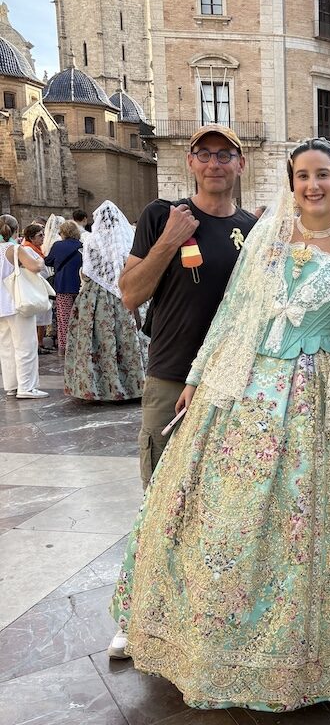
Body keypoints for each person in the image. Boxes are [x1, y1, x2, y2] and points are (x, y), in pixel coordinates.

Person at [110, 138, 330, 709]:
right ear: (290, 183)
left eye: (323, 175)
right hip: (251, 388)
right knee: (225, 512)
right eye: (302, 177)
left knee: (309, 519)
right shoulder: (266, 240)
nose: (313, 186)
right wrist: (197, 378)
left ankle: (311, 649)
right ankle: (206, 635)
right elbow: (234, 314)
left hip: (320, 392)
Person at [119, 124, 257, 489]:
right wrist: (169, 240)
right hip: (171, 373)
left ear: (240, 164)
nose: (215, 164)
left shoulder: (253, 229)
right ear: (190, 162)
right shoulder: (161, 215)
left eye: (225, 155)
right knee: (162, 491)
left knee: (219, 492)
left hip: (229, 381)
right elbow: (131, 294)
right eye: (205, 154)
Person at [64, 201, 146, 400]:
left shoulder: (91, 240)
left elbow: (86, 272)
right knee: (129, 338)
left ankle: (101, 387)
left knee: (99, 339)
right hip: (128, 293)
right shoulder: (129, 238)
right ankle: (135, 385)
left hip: (96, 297)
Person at [0, 215, 48, 399]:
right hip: (17, 302)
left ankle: (11, 385)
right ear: (16, 230)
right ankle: (27, 387)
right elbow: (35, 266)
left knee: (6, 346)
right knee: (26, 345)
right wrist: (40, 260)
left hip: (1, 305)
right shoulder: (14, 249)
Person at [44, 220, 83, 353]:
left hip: (63, 287)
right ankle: (80, 347)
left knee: (64, 318)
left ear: (63, 233)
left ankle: (64, 348)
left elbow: (48, 261)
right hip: (80, 287)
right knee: (80, 318)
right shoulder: (82, 246)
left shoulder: (58, 245)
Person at [21, 224, 53, 355]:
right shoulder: (28, 250)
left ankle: (40, 342)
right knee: (38, 317)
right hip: (34, 286)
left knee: (43, 315)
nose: (43, 238)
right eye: (40, 235)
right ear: (31, 238)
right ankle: (37, 344)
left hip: (41, 286)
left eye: (43, 235)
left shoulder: (37, 249)